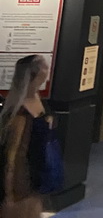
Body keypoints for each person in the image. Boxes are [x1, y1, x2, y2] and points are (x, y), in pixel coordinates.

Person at [0, 54, 51, 218]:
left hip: (37, 172)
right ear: (36, 73)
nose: (48, 70)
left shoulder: (38, 99)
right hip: (22, 178)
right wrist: (8, 192)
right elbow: (12, 154)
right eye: (45, 66)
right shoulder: (19, 113)